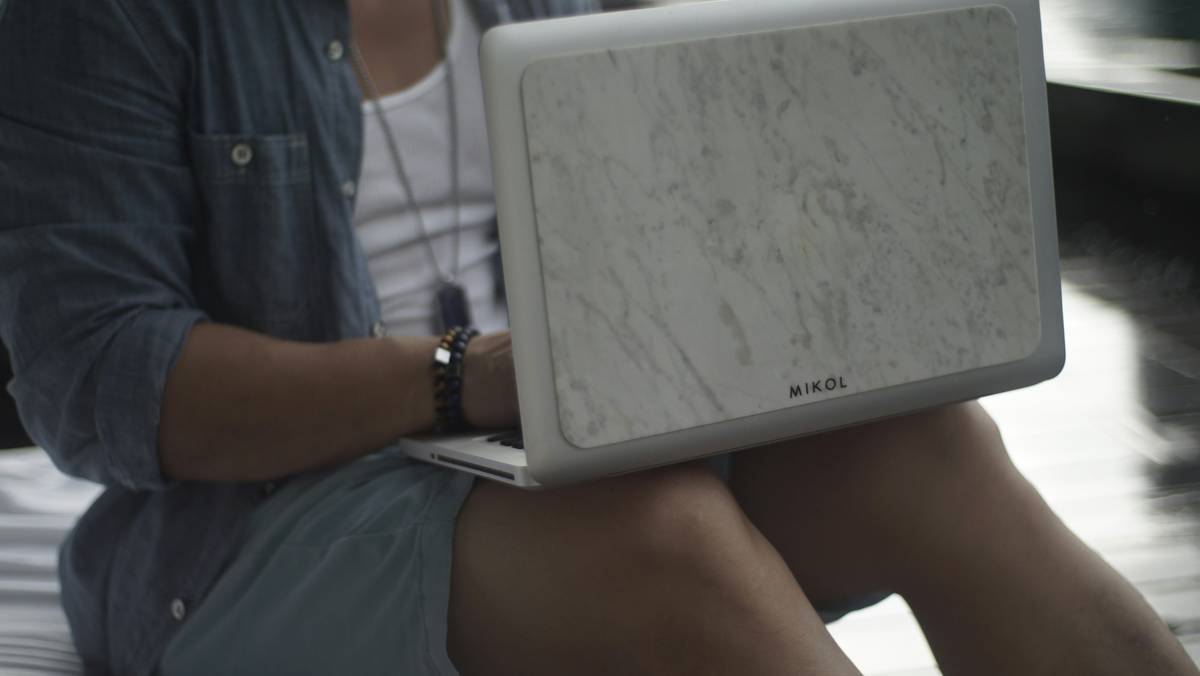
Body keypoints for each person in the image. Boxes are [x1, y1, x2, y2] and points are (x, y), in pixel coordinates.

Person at [0, 1, 1195, 675]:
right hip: (244, 538)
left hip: (562, 446)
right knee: (663, 535)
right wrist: (477, 382)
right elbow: (99, 377)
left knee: (926, 447)